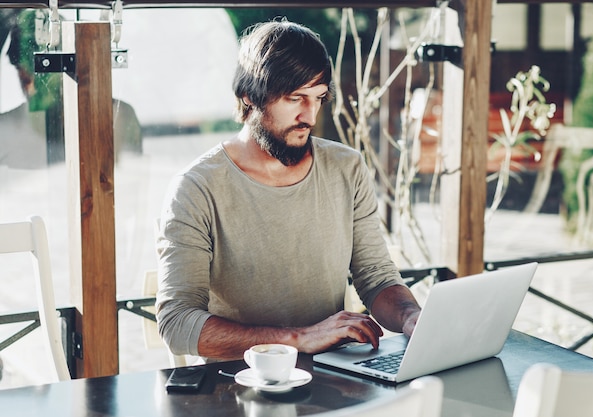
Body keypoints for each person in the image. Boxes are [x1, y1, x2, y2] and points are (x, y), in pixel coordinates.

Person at [155, 20, 421, 362]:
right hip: (243, 386)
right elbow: (177, 324)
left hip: (337, 376)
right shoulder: (196, 188)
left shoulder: (346, 167)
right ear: (249, 95)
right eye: (295, 98)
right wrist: (299, 339)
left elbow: (376, 277)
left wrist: (411, 316)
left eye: (318, 98)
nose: (309, 116)